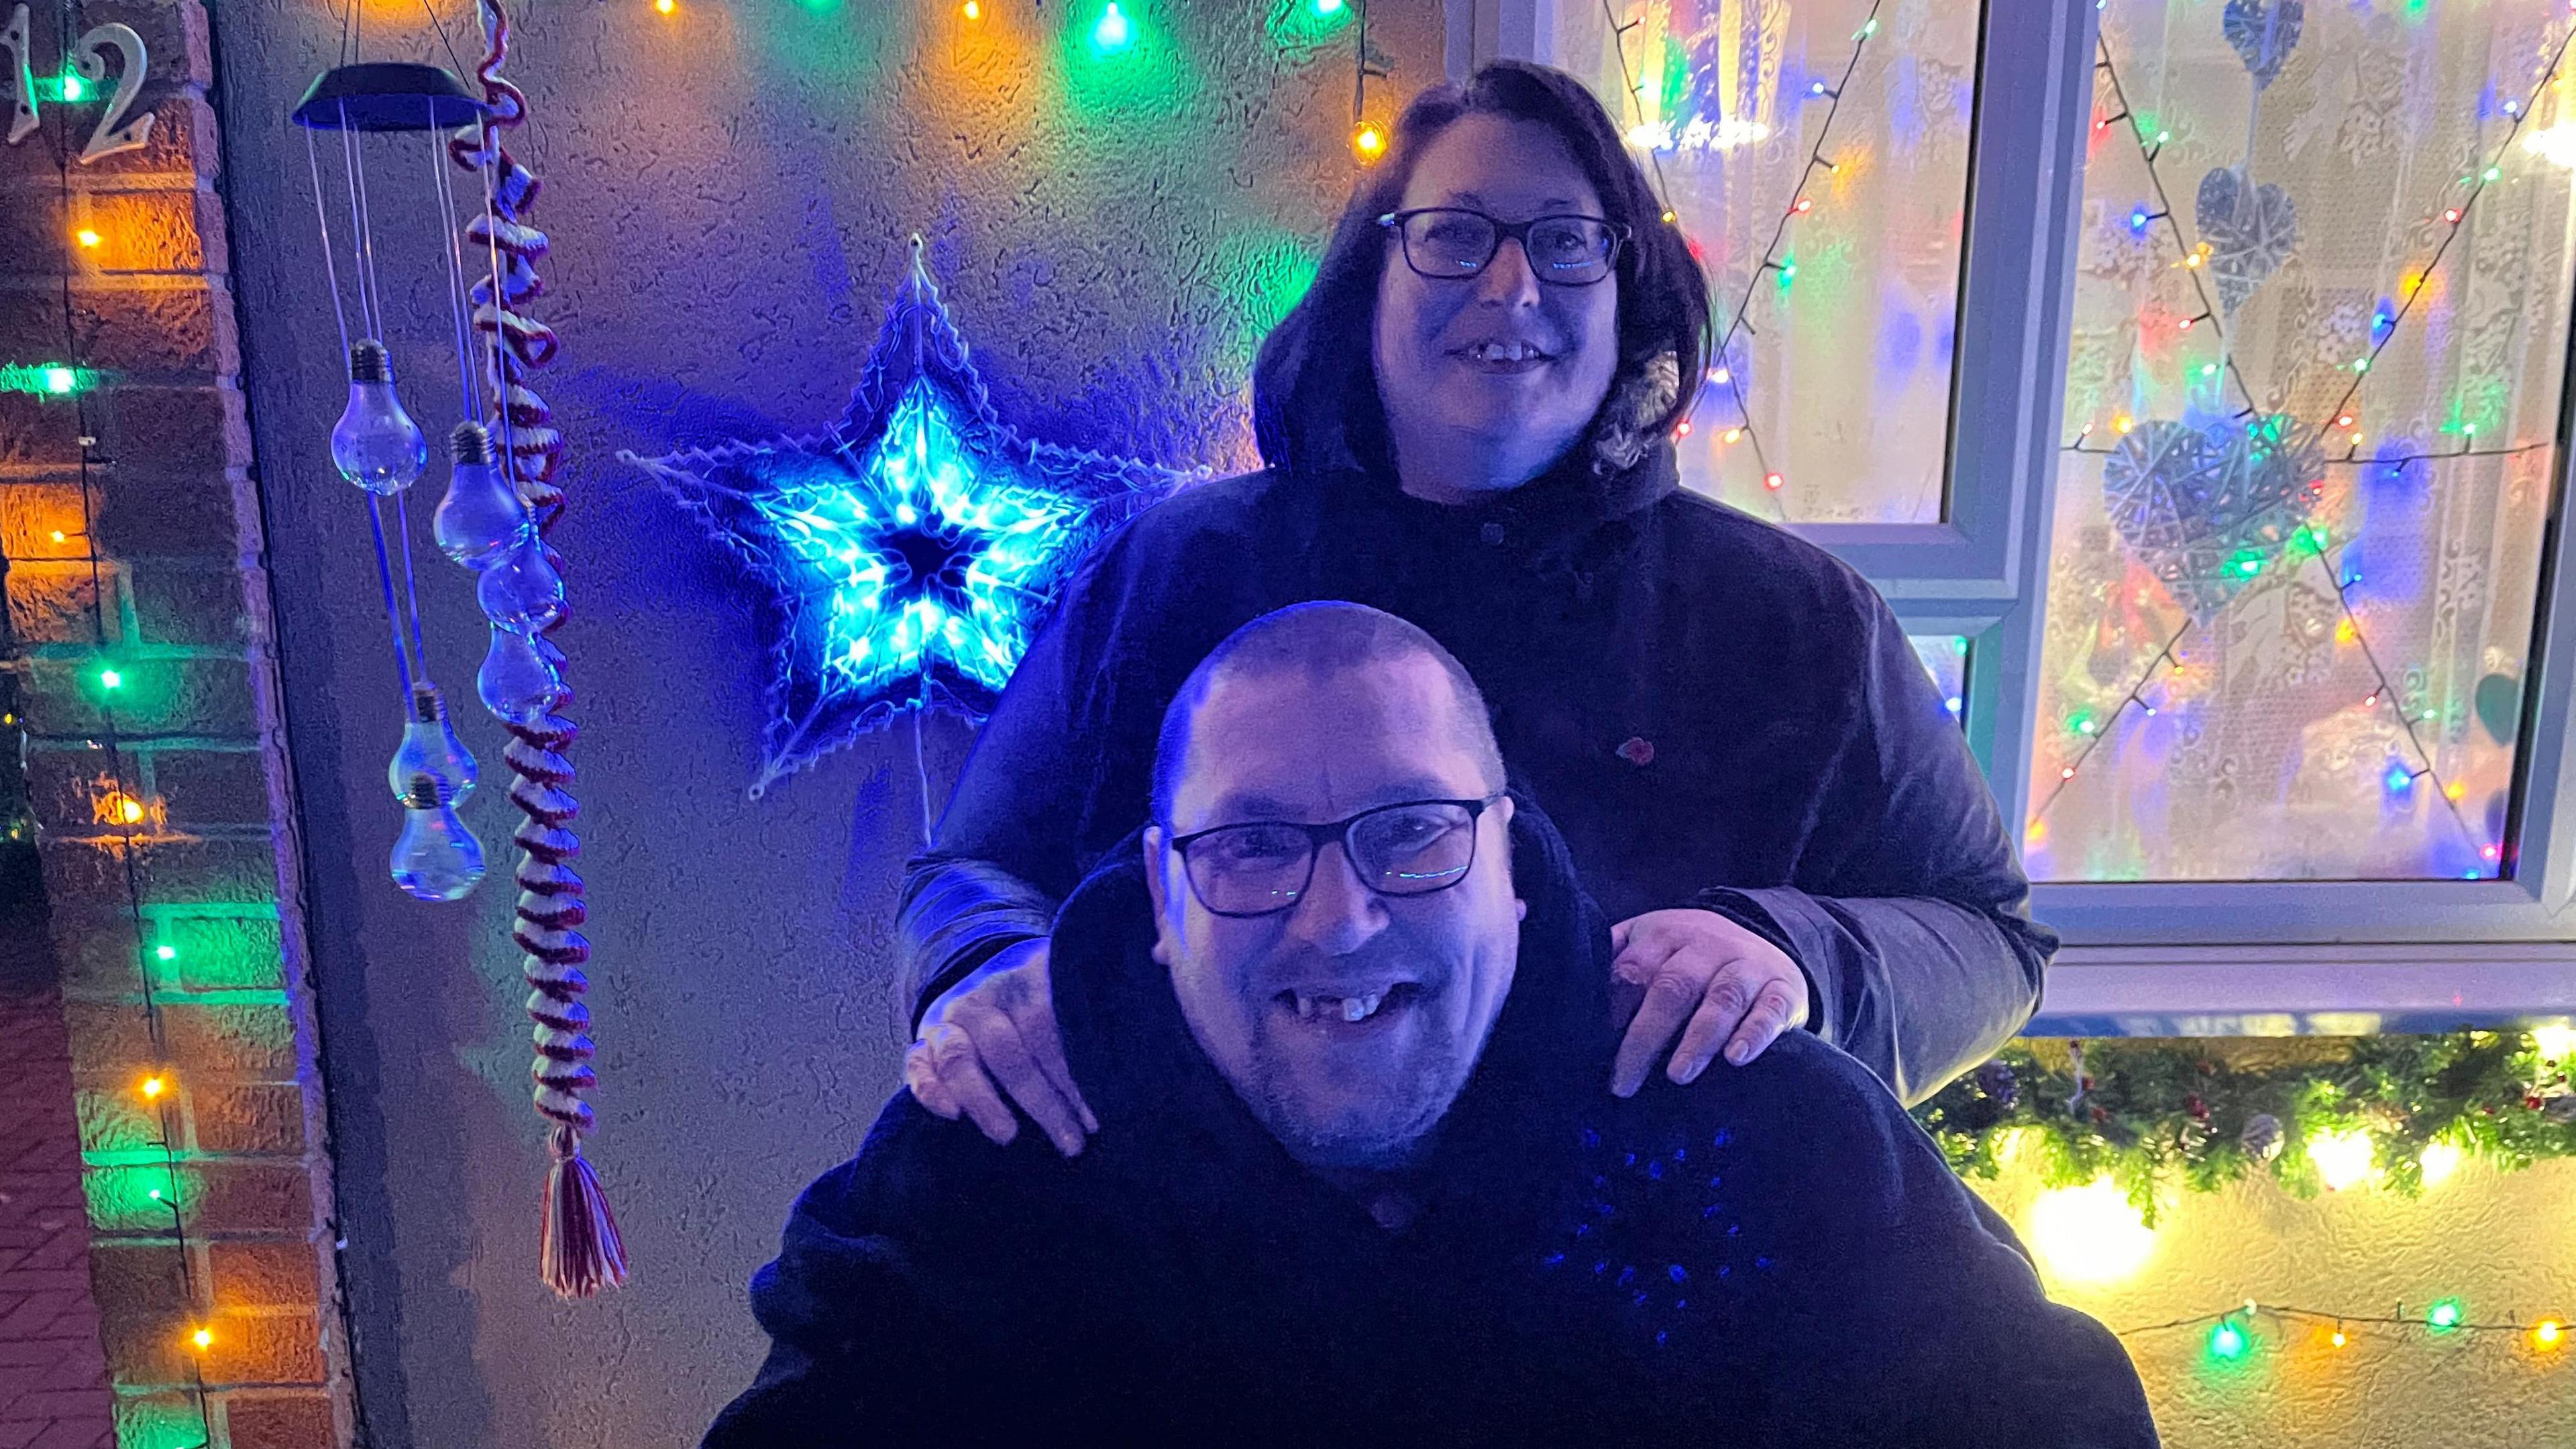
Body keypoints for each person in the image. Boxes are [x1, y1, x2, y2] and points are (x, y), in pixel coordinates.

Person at [899, 59, 2051, 1159]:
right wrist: (986, 971)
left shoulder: (1797, 624)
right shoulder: (1178, 570)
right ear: (1371, 284)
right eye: (1456, 237)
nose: (1513, 288)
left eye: (1566, 243)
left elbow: (1991, 934)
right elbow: (973, 874)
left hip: (1650, 1297)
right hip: (1213, 1285)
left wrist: (1801, 958)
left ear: (1629, 294)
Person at [712, 604, 2155, 1446]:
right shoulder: (995, 1166)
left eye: (1412, 835)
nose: (1339, 919)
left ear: (1512, 868)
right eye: (1254, 846)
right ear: (1160, 892)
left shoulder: (1754, 1127)